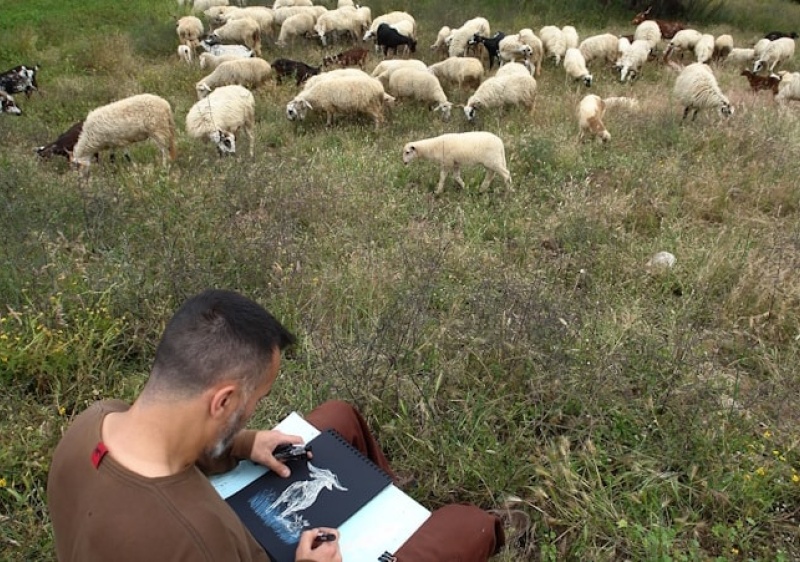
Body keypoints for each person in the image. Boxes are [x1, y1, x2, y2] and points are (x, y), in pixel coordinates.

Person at [48, 289, 509, 562]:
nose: (253, 413)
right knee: (465, 525)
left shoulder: (95, 421)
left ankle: (389, 501)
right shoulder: (200, 538)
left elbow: (172, 447)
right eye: (254, 403)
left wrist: (243, 442)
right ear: (223, 400)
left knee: (335, 418)